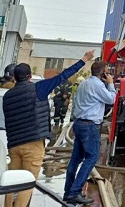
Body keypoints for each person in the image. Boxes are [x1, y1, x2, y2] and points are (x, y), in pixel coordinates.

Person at [2, 51, 95, 207]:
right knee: (26, 184)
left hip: (13, 146)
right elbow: (63, 76)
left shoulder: (7, 96)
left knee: (10, 185)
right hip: (33, 145)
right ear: (30, 76)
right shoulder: (39, 88)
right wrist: (84, 60)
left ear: (14, 78)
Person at [63, 61, 116, 205]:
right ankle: (74, 193)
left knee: (75, 159)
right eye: (107, 71)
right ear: (103, 73)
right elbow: (111, 99)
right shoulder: (98, 85)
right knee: (91, 158)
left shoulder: (84, 83)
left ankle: (68, 192)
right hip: (90, 125)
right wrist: (110, 84)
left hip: (79, 123)